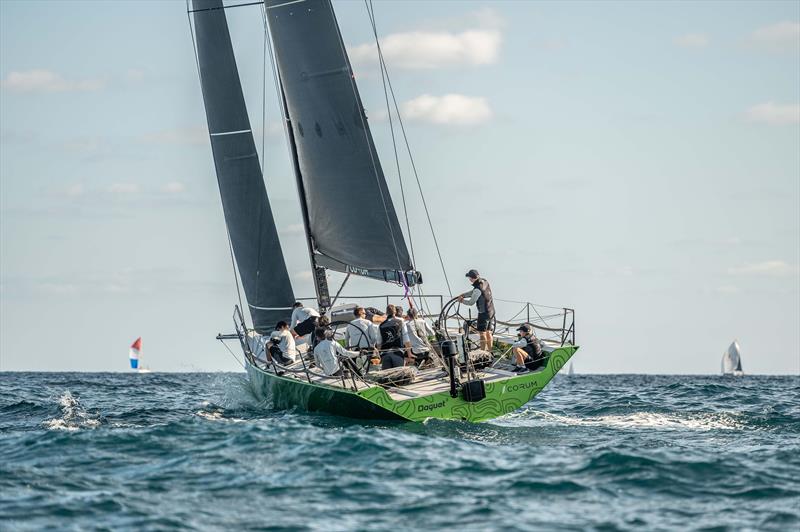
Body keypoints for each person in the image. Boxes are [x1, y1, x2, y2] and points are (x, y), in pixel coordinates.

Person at [458, 269, 495, 351]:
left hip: (483, 313)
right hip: (491, 311)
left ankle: (482, 352)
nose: (469, 279)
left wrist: (462, 300)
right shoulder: (484, 281)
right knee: (489, 332)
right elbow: (473, 292)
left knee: (482, 333)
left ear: (471, 278)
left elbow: (471, 302)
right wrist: (463, 295)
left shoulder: (477, 289)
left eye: (469, 278)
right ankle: (490, 351)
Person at [377, 304, 412, 369]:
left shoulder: (381, 325)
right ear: (395, 312)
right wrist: (409, 353)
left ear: (386, 313)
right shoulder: (400, 322)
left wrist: (379, 355)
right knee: (399, 375)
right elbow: (406, 340)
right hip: (398, 353)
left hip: (385, 354)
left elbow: (379, 343)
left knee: (387, 376)